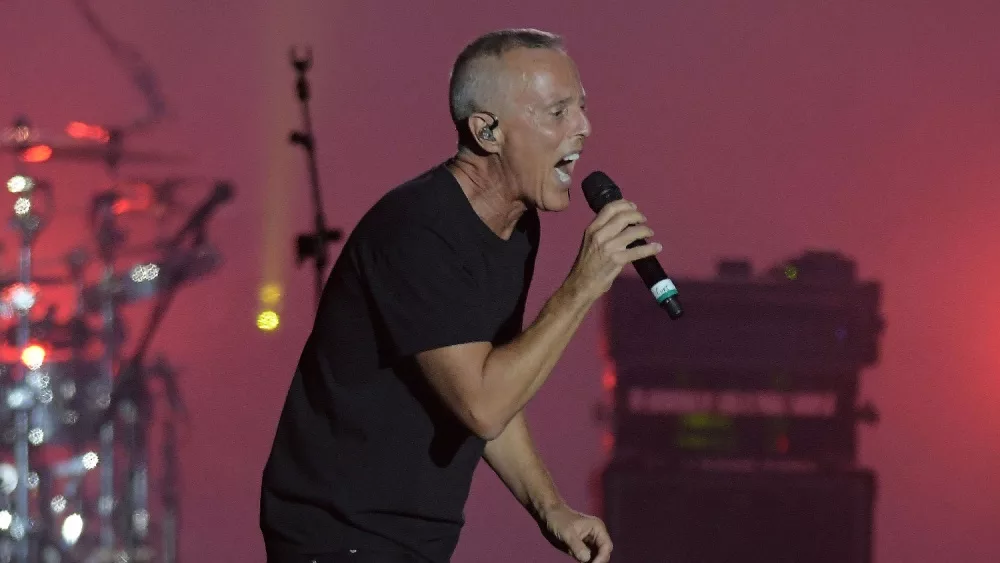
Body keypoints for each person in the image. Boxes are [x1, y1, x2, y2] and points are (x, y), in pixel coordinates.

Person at [260, 28, 662, 563]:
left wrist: (550, 508)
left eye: (582, 108)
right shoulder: (419, 232)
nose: (584, 128)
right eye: (558, 112)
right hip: (341, 535)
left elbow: (488, 377)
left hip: (411, 538)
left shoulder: (516, 227)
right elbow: (483, 406)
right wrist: (582, 286)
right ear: (487, 131)